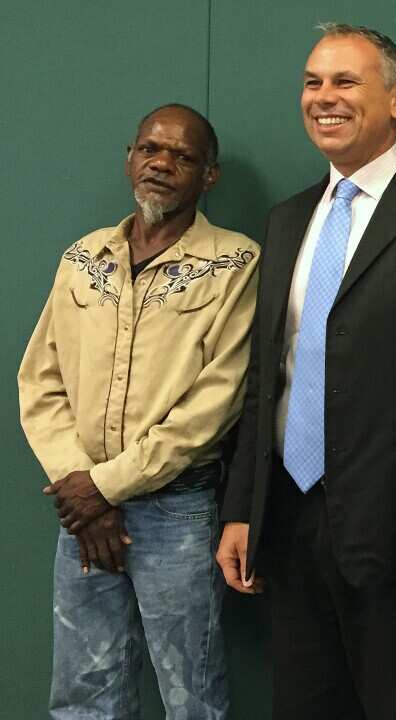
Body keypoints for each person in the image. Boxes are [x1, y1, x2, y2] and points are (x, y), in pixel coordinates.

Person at [215, 23, 396, 720]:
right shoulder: (287, 220)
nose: (323, 97)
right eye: (312, 83)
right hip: (290, 524)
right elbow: (267, 374)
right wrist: (243, 508)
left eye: (345, 82)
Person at [18, 104, 257, 719]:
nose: (161, 164)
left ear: (209, 176)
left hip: (177, 511)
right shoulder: (83, 257)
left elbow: (217, 401)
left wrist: (103, 486)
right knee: (82, 693)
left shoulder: (235, 264)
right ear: (130, 158)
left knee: (192, 696)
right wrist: (83, 486)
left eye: (182, 156)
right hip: (81, 510)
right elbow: (40, 380)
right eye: (151, 149)